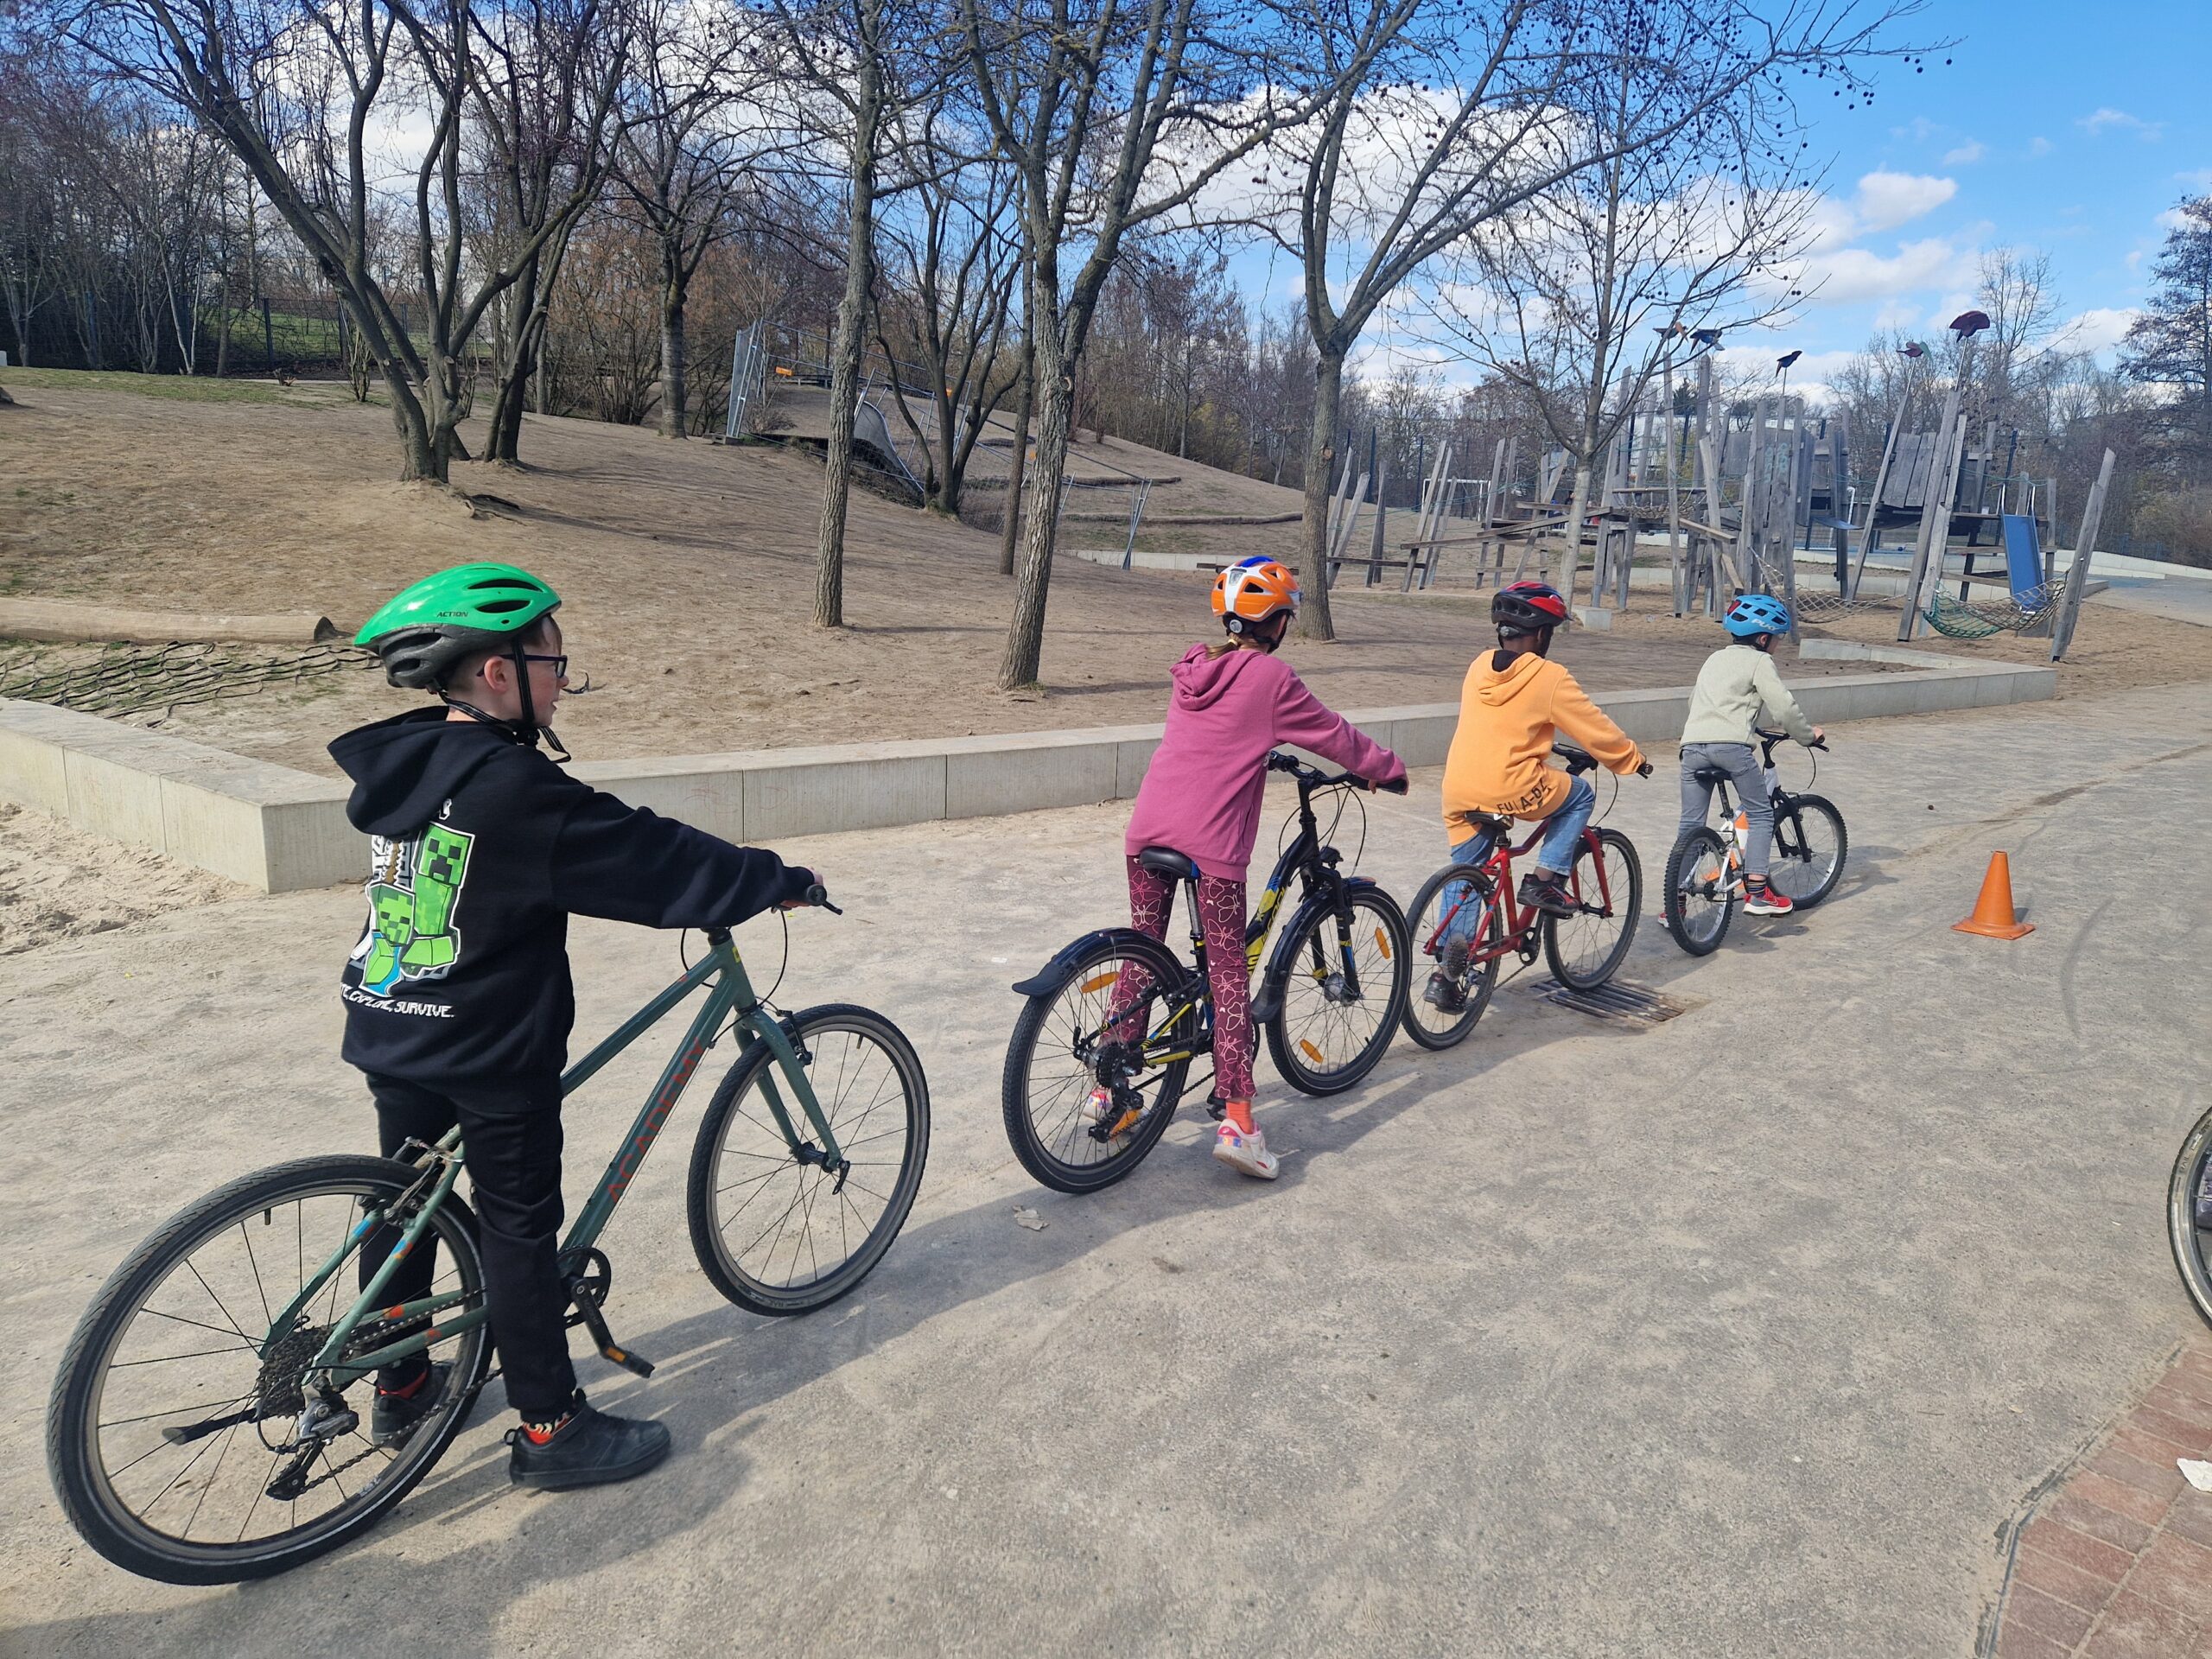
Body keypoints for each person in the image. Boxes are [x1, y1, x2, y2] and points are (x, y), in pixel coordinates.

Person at [337, 562, 817, 1491]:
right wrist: (776, 878)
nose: (562, 678)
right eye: (551, 660)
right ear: (497, 673)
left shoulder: (410, 763)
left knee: (405, 1203)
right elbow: (648, 855)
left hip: (392, 1015)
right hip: (484, 1041)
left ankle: (400, 1382)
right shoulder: (514, 785)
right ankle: (552, 1427)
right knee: (518, 1226)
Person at [1104, 556, 1405, 1180]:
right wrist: (1387, 769)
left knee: (1142, 952)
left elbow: (1218, 736)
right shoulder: (1271, 678)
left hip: (1147, 830)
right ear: (1277, 622)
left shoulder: (1195, 665)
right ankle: (1239, 1123)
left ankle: (1110, 1088)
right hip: (1211, 844)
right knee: (1228, 972)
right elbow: (1335, 736)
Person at [1429, 580, 1650, 1011]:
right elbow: (1593, 727)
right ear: (1543, 634)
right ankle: (1544, 882)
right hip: (1511, 786)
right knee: (1579, 794)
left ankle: (1446, 974)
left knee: (1468, 875)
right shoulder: (1548, 676)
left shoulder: (1478, 666)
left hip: (1458, 787)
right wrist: (1631, 760)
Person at [1675, 593, 1824, 918]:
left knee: (1690, 824)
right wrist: (1807, 736)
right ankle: (1757, 894)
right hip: (1731, 750)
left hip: (1692, 748)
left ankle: (1676, 904)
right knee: (1760, 815)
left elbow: (1695, 701)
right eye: (1777, 639)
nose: (1778, 645)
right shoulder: (1760, 662)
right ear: (1763, 638)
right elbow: (1783, 707)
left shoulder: (1714, 659)